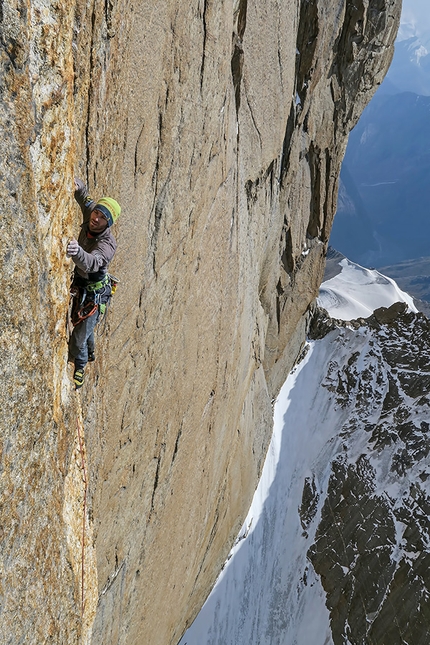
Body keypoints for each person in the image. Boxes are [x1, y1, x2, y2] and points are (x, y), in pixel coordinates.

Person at [67, 178, 121, 389]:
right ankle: (89, 353)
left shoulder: (107, 245)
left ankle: (79, 364)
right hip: (82, 285)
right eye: (96, 213)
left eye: (102, 218)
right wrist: (80, 188)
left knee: (77, 338)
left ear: (109, 224)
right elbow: (85, 199)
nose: (96, 219)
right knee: (84, 329)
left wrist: (78, 253)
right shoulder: (92, 214)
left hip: (95, 296)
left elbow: (93, 262)